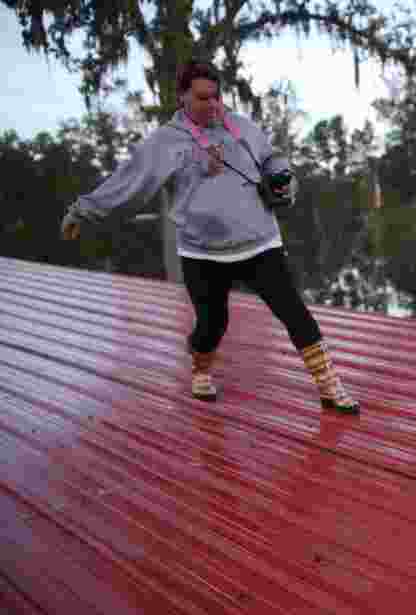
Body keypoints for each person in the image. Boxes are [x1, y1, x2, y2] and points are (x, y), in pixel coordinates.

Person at [60, 59, 359, 414]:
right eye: (202, 98)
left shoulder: (243, 127)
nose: (213, 105)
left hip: (259, 242)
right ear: (182, 97)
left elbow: (273, 160)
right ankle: (200, 370)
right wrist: (83, 210)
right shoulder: (166, 142)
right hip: (201, 253)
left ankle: (329, 386)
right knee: (213, 323)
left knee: (293, 311)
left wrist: (284, 181)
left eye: (216, 97)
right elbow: (130, 182)